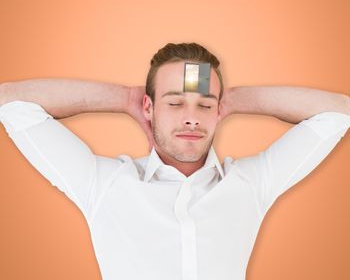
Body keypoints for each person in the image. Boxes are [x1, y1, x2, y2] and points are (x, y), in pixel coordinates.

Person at [0, 42, 349, 280]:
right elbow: (11, 102)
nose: (192, 118)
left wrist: (234, 99)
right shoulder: (105, 183)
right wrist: (126, 98)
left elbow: (339, 113)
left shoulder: (250, 184)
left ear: (218, 111)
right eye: (175, 102)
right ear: (149, 108)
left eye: (205, 104)